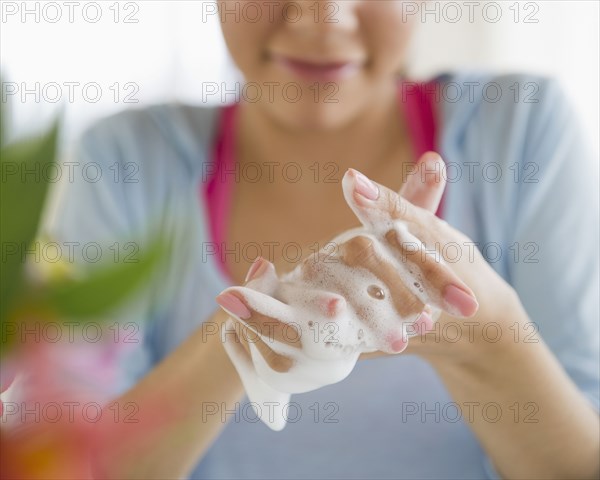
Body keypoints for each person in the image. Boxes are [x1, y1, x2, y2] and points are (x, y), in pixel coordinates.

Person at [50, 1, 599, 478]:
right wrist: (244, 337)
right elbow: (64, 462)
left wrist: (491, 338)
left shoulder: (522, 130)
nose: (324, 18)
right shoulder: (123, 160)